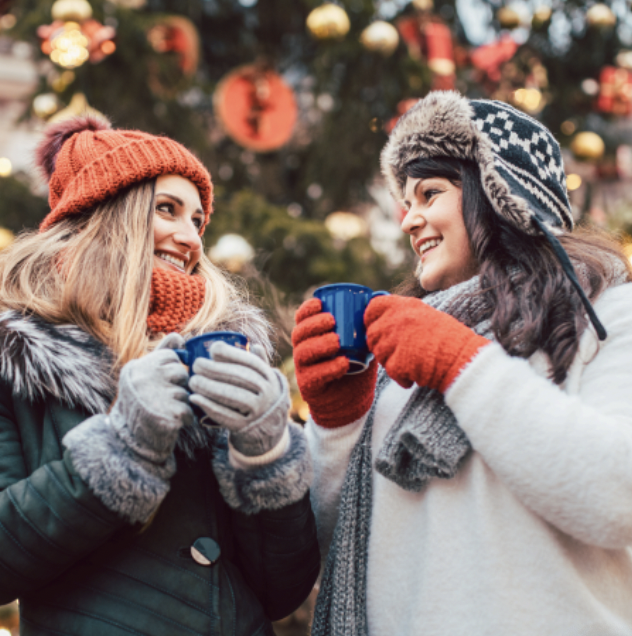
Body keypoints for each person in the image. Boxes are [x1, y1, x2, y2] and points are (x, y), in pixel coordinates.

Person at [292, 91, 632, 636]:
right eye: (406, 201)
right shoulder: (402, 360)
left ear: (500, 195)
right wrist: (336, 424)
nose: (410, 220)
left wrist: (461, 364)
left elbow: (618, 496)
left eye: (430, 193)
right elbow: (335, 546)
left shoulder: (609, 314)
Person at [0, 116, 319, 636]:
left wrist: (266, 452)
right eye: (166, 209)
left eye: (198, 220)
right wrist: (122, 447)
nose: (189, 236)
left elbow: (282, 591)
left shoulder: (225, 355)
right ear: (104, 216)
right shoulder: (18, 356)